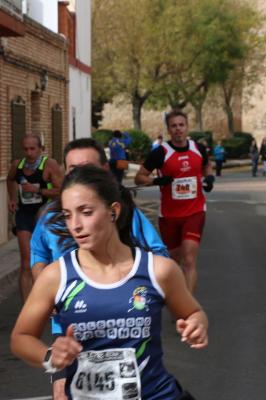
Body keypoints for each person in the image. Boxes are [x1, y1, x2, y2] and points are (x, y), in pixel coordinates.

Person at [11, 165, 208, 400]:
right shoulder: (56, 276)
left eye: (85, 212)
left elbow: (193, 312)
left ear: (113, 211)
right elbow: (21, 338)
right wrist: (49, 357)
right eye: (67, 215)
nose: (75, 225)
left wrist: (197, 324)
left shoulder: (158, 270)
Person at [30, 138, 169, 400]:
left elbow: (158, 254)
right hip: (69, 328)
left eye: (86, 167)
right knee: (62, 392)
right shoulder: (51, 215)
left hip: (123, 327)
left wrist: (128, 279)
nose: (78, 174)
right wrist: (46, 289)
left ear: (103, 171)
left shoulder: (123, 213)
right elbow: (38, 256)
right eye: (72, 168)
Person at [134, 109, 214, 294]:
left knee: (189, 259)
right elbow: (139, 177)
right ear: (169, 130)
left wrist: (209, 179)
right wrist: (156, 181)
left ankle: (187, 307)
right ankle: (175, 296)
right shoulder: (160, 153)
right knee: (173, 261)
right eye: (174, 126)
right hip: (169, 215)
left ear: (187, 127)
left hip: (195, 212)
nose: (178, 129)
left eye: (181, 125)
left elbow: (206, 166)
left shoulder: (198, 149)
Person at [7, 134, 63, 302]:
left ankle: (48, 300)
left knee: (46, 261)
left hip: (46, 216)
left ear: (41, 149)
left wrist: (38, 190)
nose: (29, 152)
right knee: (26, 262)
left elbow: (61, 190)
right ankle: (27, 306)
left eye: (33, 149)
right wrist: (12, 199)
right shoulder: (18, 165)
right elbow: (10, 180)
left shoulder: (50, 165)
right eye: (26, 149)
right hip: (24, 214)